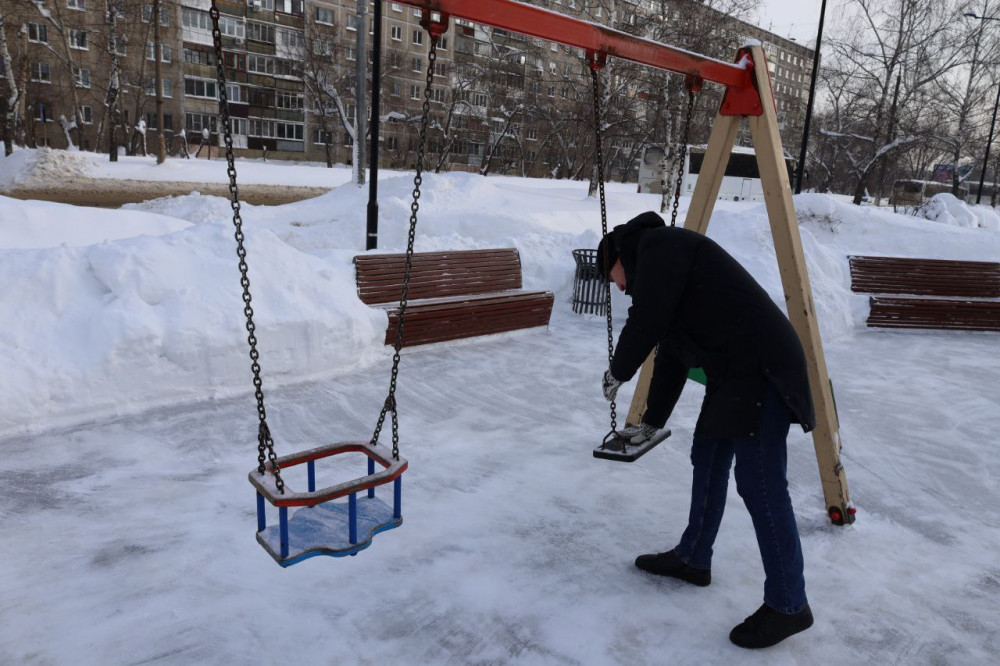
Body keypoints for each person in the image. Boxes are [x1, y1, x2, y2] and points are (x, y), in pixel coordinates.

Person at [597, 211, 814, 649]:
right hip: (732, 372)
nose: (617, 287)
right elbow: (671, 354)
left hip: (760, 367)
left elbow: (647, 321)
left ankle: (789, 603)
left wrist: (619, 369)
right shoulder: (663, 267)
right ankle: (694, 557)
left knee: (760, 483)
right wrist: (650, 423)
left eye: (611, 277)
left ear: (616, 256)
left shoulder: (659, 247)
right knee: (708, 456)